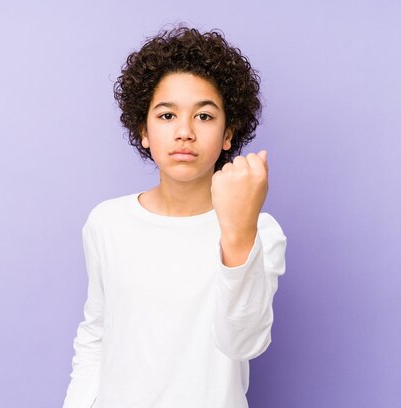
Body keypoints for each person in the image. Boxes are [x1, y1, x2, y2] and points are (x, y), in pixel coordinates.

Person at [62, 26, 287, 408]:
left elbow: (244, 341)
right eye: (167, 115)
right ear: (144, 131)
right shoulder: (107, 222)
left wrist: (238, 229)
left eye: (203, 116)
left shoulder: (259, 230)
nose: (184, 132)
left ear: (228, 133)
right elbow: (95, 336)